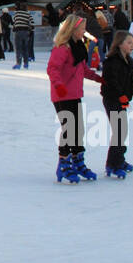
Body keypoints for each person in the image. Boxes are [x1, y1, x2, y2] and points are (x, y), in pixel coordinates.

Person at [47, 14, 104, 183]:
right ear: (72, 29)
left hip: (74, 93)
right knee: (69, 129)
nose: (84, 31)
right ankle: (64, 163)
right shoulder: (62, 48)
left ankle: (78, 162)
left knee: (78, 130)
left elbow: (83, 70)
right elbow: (53, 69)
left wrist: (98, 78)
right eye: (82, 29)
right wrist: (59, 85)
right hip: (62, 94)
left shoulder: (78, 47)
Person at [100, 31, 133, 178]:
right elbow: (111, 82)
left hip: (123, 100)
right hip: (112, 99)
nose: (132, 45)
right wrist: (120, 96)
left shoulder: (130, 63)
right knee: (119, 131)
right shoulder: (111, 62)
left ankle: (118, 159)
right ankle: (113, 164)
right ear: (120, 43)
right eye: (129, 42)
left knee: (122, 131)